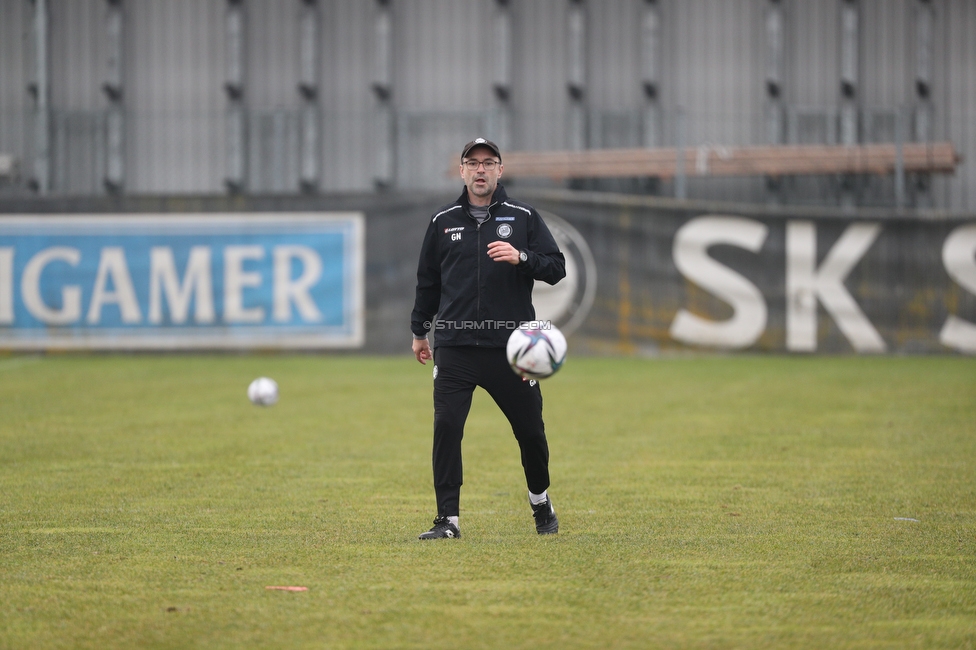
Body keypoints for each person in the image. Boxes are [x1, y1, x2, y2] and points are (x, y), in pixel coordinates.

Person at [410, 137, 567, 540]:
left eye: (489, 162)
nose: (480, 169)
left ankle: (540, 501)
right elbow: (428, 282)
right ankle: (448, 520)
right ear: (461, 171)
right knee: (446, 426)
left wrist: (523, 258)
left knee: (530, 431)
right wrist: (419, 331)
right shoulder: (442, 221)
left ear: (500, 169)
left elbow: (556, 268)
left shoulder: (523, 217)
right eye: (472, 163)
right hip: (455, 347)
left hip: (512, 350)